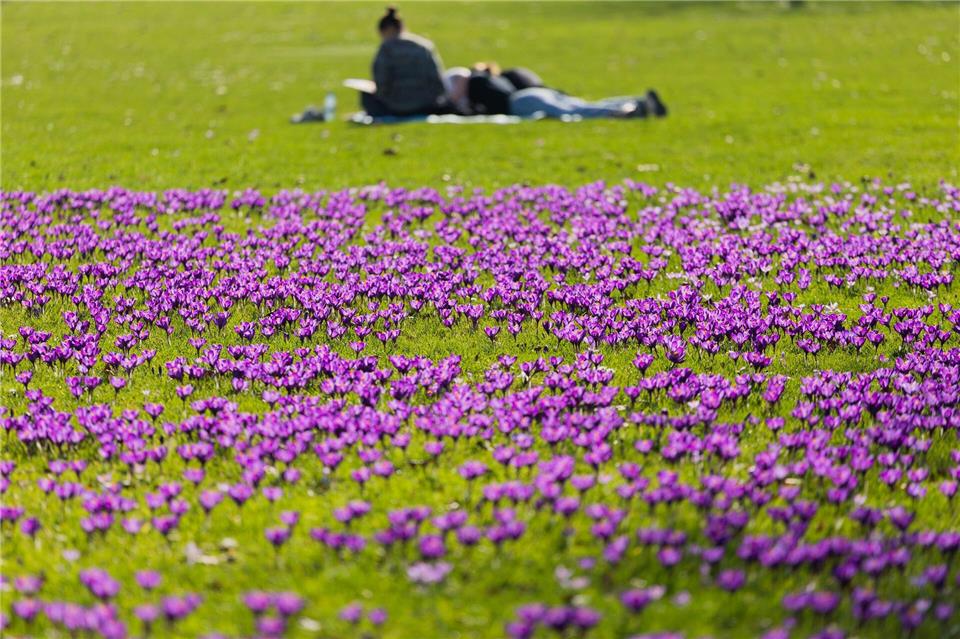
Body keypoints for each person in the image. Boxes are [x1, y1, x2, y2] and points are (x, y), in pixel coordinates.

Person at [444, 64, 667, 119]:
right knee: (582, 105)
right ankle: (637, 102)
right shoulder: (498, 76)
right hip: (538, 92)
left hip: (521, 102)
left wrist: (452, 103)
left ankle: (623, 111)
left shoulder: (467, 76)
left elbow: (458, 88)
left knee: (577, 113)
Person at [361, 6, 450, 117]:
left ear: (385, 30)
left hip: (394, 107)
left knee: (365, 94)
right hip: (426, 105)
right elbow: (438, 80)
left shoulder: (386, 49)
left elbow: (381, 81)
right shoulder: (424, 46)